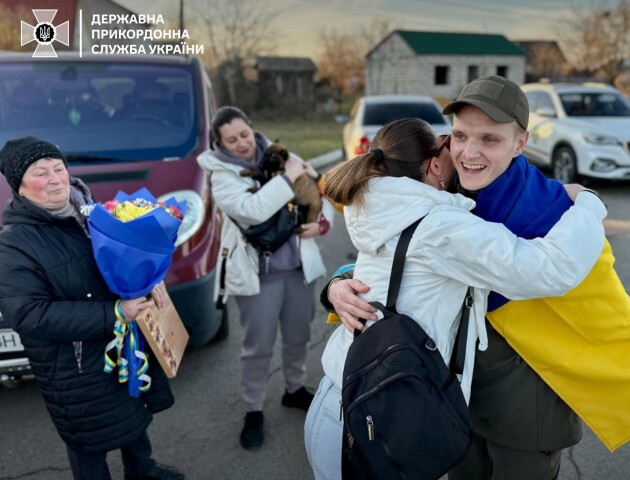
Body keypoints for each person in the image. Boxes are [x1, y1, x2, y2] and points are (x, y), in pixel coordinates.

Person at [320, 75, 627, 480]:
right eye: (460, 136)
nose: (469, 153)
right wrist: (336, 288)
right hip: (450, 398)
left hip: (523, 412)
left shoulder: (549, 211)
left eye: (490, 139)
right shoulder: (439, 194)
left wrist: (588, 204)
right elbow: (398, 258)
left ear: (521, 143)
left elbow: (596, 299)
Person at [0, 137, 184, 480]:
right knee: (89, 441)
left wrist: (151, 279)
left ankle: (143, 470)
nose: (55, 179)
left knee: (132, 408)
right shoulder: (14, 243)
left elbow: (124, 263)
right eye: (41, 173)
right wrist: (114, 313)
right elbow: (27, 315)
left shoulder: (95, 211)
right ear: (19, 186)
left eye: (59, 168)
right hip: (76, 364)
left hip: (122, 340)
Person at [196, 106, 334, 450]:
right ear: (219, 143)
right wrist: (287, 178)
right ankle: (253, 408)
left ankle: (294, 388)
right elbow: (253, 210)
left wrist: (323, 223)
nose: (241, 143)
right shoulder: (221, 174)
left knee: (298, 336)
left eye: (244, 134)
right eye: (231, 139)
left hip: (299, 268)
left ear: (251, 128)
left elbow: (319, 189)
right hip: (259, 274)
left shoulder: (281, 155)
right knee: (257, 347)